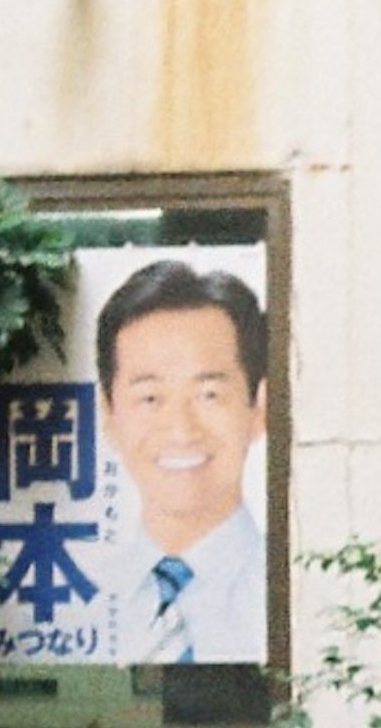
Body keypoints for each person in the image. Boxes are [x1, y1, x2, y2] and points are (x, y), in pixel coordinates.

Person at [90, 260, 269, 666]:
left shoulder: (292, 594)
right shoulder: (76, 600)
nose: (181, 430)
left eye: (209, 395)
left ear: (258, 407)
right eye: (150, 398)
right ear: (109, 414)